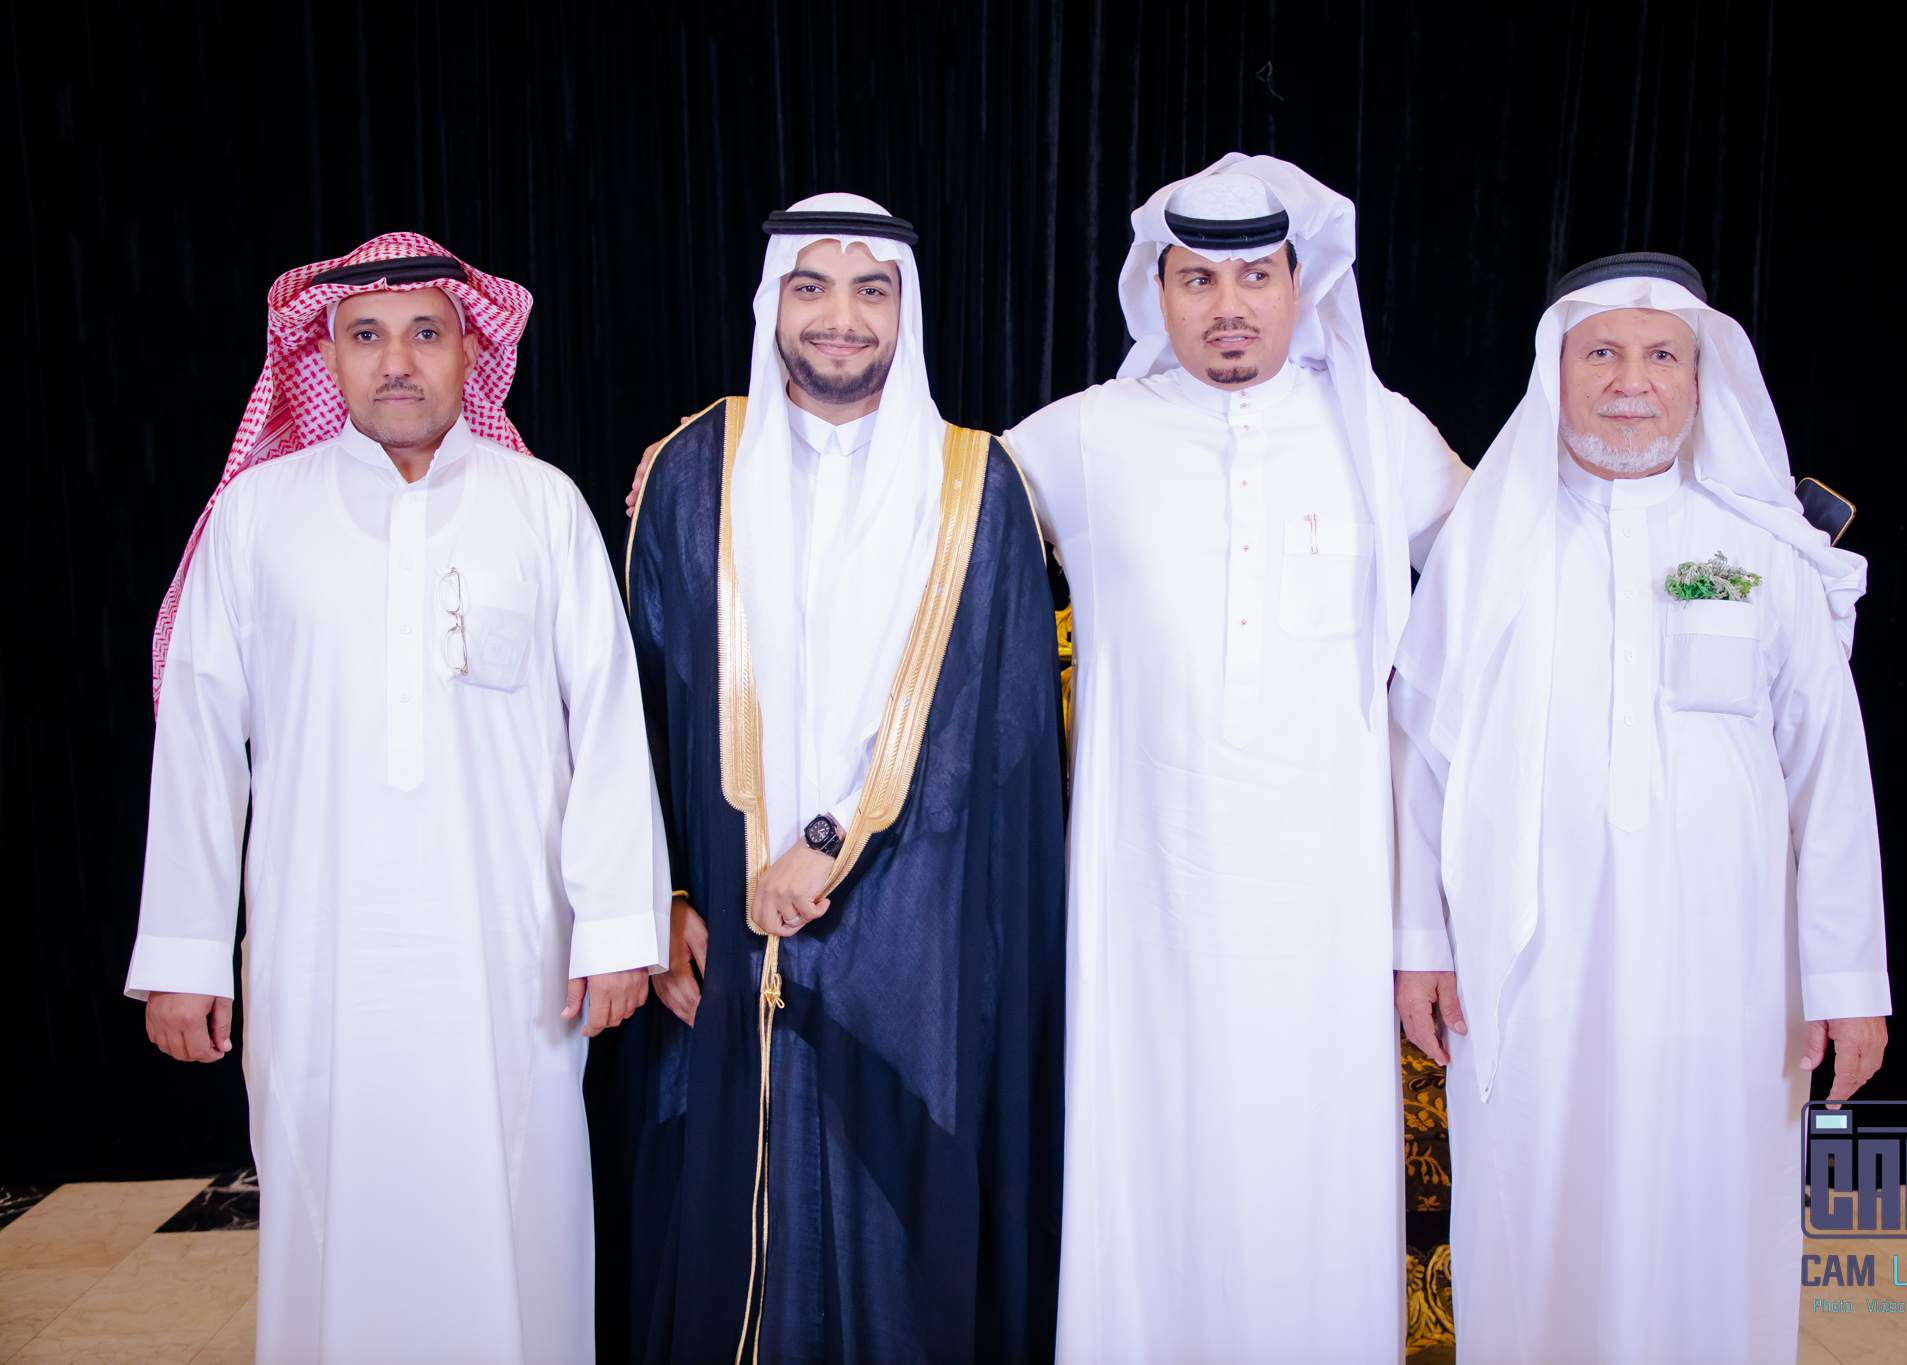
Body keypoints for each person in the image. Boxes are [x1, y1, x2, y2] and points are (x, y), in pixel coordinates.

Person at [129, 233, 668, 1365]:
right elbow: (200, 743)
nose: (396, 362)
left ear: (470, 350)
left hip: (512, 954)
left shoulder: (540, 505)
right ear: (323, 355)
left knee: (518, 1211)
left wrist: (619, 928)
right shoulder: (257, 515)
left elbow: (608, 728)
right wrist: (184, 951)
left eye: (425, 333)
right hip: (317, 953)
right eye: (365, 336)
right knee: (331, 1212)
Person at [1001, 155, 1471, 1364]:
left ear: (1298, 285)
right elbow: (930, 512)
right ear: (1153, 291)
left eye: (1255, 277)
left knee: (1309, 1174)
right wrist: (715, 451)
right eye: (1196, 278)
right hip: (1144, 908)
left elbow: (1514, 566)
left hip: (1326, 912)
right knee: (1152, 1168)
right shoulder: (1084, 437)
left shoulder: (1378, 434)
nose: (1227, 306)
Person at [1390, 252, 1890, 1364]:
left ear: (1699, 381)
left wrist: (1848, 981)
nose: (1630, 380)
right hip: (1526, 977)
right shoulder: (1487, 548)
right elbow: (1416, 751)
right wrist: (1419, 942)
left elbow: (1828, 768)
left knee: (1710, 1222)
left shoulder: (1760, 551)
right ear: (1555, 374)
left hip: (1728, 977)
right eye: (1601, 353)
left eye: (1661, 354)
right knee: (1536, 1222)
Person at [611, 193, 1066, 1363]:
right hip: (719, 934)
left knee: (903, 1231)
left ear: (905, 313)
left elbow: (993, 728)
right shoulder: (690, 472)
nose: (840, 318)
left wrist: (827, 845)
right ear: (771, 302)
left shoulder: (978, 484)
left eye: (872, 290)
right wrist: (658, 899)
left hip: (917, 937)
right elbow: (634, 713)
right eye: (809, 286)